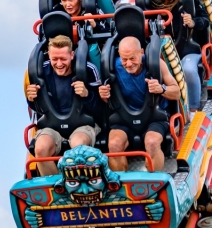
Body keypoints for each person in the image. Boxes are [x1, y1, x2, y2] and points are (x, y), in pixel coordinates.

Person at [98, 37, 179, 173]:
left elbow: (176, 92)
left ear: (141, 52)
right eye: (124, 59)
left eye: (133, 58)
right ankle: (121, 184)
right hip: (124, 118)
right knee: (114, 144)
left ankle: (154, 181)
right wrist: (103, 95)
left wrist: (161, 89)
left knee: (152, 143)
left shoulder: (156, 64)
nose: (129, 64)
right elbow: (107, 100)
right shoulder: (112, 68)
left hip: (154, 117)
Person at [25, 35, 103, 176]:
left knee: (78, 146)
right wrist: (32, 99)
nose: (59, 64)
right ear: (49, 55)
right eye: (54, 59)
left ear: (72, 55)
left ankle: (82, 187)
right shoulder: (40, 72)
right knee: (41, 148)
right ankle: (59, 187)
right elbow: (38, 110)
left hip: (83, 124)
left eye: (63, 59)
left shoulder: (88, 70)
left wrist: (87, 94)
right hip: (52, 126)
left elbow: (101, 109)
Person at [141, 0, 209, 111]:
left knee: (188, 69)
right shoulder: (150, 3)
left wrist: (193, 22)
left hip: (186, 49)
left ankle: (192, 109)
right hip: (161, 53)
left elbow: (206, 20)